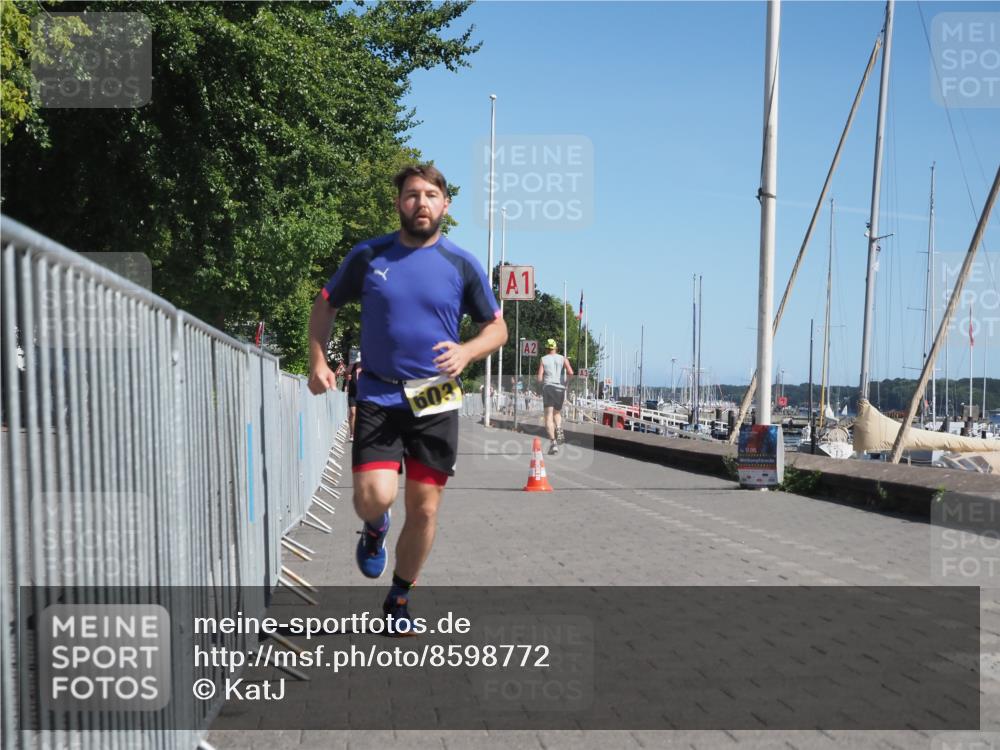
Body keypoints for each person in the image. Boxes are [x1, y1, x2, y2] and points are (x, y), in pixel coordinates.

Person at [307, 163, 507, 633]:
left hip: (435, 395)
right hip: (378, 390)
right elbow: (326, 303)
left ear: (445, 205)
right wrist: (318, 359)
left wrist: (467, 351)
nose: (422, 203)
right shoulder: (369, 255)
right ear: (399, 203)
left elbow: (496, 327)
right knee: (371, 498)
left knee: (425, 509)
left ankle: (399, 598)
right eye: (412, 195)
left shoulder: (461, 263)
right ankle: (375, 528)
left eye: (431, 195)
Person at [537, 338, 574, 454]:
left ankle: (553, 443)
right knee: (557, 413)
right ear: (556, 348)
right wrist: (566, 384)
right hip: (560, 388)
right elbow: (571, 372)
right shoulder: (563, 358)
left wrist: (541, 385)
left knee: (548, 417)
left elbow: (539, 378)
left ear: (547, 348)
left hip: (548, 388)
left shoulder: (543, 359)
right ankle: (558, 427)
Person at [344, 357, 362, 440]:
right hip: (352, 394)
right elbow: (345, 374)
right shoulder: (352, 366)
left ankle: (360, 433)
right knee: (353, 413)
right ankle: (352, 434)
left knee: (361, 414)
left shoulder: (366, 367)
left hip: (363, 394)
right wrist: (347, 376)